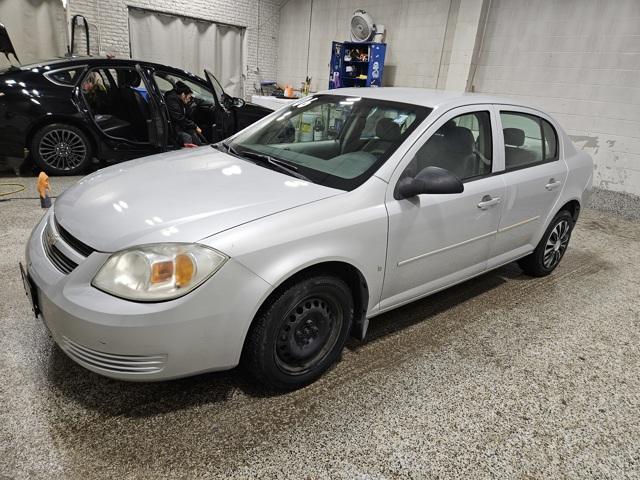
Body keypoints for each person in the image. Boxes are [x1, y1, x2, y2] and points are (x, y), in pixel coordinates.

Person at [165, 81, 206, 146]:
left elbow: (186, 115)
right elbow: (179, 117)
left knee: (193, 132)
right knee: (188, 136)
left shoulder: (179, 99)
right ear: (183, 94)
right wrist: (194, 126)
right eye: (189, 97)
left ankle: (200, 148)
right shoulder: (172, 100)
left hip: (179, 125)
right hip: (173, 128)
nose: (189, 100)